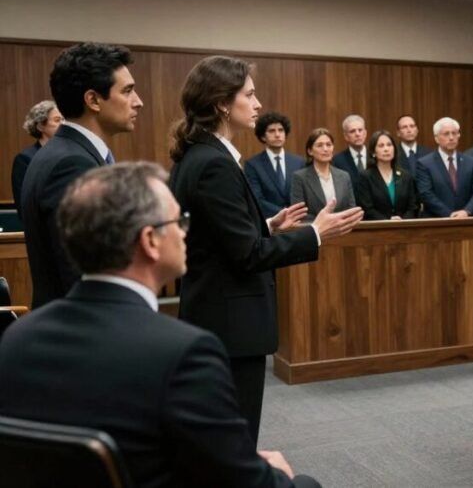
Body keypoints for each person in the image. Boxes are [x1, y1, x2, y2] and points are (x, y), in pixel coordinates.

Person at [0, 162, 322, 488]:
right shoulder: (184, 354)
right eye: (179, 221)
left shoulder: (16, 338)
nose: (186, 231)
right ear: (150, 240)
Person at [168, 56, 363, 444]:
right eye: (250, 94)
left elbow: (220, 236)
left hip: (216, 315)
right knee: (235, 438)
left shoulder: (201, 154)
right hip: (230, 323)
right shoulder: (214, 163)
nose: (258, 104)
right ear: (223, 103)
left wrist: (268, 225)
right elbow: (248, 255)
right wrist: (316, 233)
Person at [21, 43, 142, 308]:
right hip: (81, 333)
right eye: (128, 91)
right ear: (93, 100)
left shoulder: (66, 153)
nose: (138, 102)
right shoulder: (72, 164)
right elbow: (84, 273)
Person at [415, 117, 473, 218]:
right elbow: (426, 194)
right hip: (437, 221)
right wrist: (449, 214)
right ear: (436, 138)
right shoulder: (424, 164)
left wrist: (466, 211)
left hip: (466, 221)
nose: (451, 137)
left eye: (454, 133)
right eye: (446, 134)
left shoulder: (471, 162)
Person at [244, 112, 304, 218]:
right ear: (263, 137)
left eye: (281, 130)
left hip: (299, 221)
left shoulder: (299, 162)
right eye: (272, 131)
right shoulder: (252, 165)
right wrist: (285, 213)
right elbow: (257, 199)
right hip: (269, 222)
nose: (277, 135)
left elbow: (303, 195)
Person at [290, 128, 357, 221]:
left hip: (342, 230)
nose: (325, 149)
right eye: (319, 145)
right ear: (310, 151)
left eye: (328, 145)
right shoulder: (300, 177)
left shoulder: (344, 176)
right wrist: (326, 221)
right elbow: (299, 213)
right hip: (314, 230)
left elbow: (351, 209)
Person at [11, 100, 63, 215]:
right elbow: (24, 204)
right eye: (57, 120)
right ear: (40, 126)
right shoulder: (25, 159)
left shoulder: (68, 155)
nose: (63, 124)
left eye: (64, 120)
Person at [355, 130, 419, 220]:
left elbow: (413, 206)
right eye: (381, 146)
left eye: (389, 145)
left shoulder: (406, 176)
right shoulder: (366, 177)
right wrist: (388, 221)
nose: (386, 149)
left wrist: (402, 221)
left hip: (404, 228)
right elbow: (367, 209)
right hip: (378, 229)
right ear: (373, 152)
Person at [330, 114, 368, 183]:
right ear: (346, 136)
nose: (357, 134)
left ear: (365, 133)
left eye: (360, 130)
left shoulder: (375, 156)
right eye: (352, 131)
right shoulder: (337, 161)